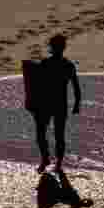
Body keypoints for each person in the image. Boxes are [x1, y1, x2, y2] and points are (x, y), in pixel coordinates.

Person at [31, 34, 81, 173]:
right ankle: (57, 163)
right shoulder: (68, 65)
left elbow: (35, 85)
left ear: (51, 47)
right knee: (59, 135)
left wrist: (32, 103)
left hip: (46, 103)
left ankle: (45, 158)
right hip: (60, 104)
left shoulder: (46, 63)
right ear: (63, 48)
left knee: (41, 133)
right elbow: (76, 87)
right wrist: (77, 104)